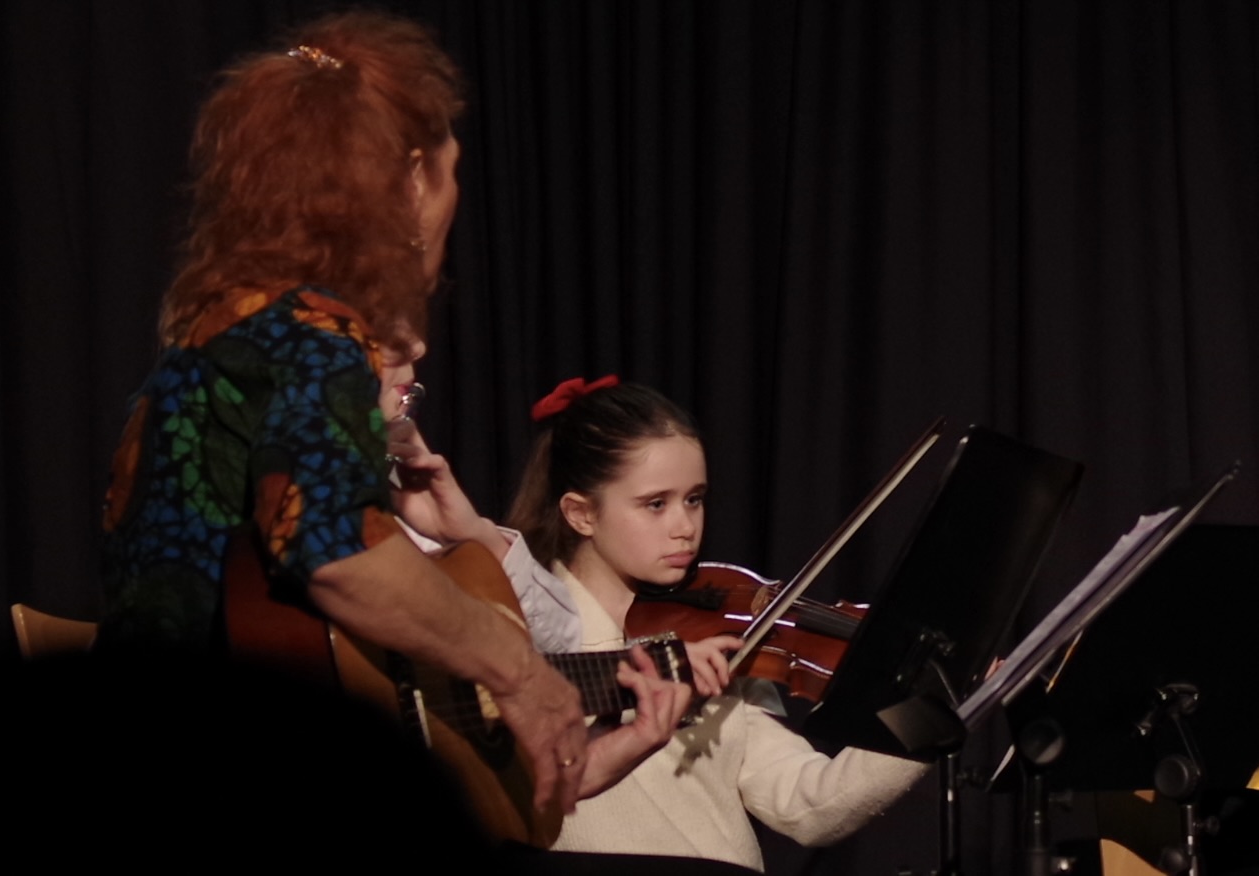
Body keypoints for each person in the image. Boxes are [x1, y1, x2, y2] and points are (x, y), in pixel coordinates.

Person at [95, 10, 685, 831]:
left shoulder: (224, 330)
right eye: (450, 172)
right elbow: (336, 553)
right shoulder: (315, 337)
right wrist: (520, 672)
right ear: (410, 182)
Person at [501, 377, 933, 873]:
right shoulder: (521, 640)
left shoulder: (710, 637)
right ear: (581, 514)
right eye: (656, 504)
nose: (685, 527)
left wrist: (927, 716)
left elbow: (808, 803)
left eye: (695, 499)